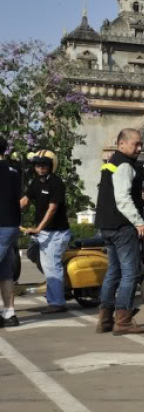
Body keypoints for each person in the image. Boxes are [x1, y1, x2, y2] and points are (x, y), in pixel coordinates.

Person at [95, 128, 144, 335]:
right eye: (135, 144)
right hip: (122, 226)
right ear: (121, 144)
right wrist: (139, 222)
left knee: (113, 272)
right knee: (130, 273)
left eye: (140, 144)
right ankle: (124, 321)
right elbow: (123, 199)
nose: (139, 148)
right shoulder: (125, 166)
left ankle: (105, 319)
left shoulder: (110, 164)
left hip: (107, 226)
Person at [20, 150, 72, 314]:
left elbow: (52, 209)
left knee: (52, 266)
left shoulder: (56, 183)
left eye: (44, 165)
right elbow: (25, 200)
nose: (40, 168)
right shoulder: (36, 182)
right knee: (32, 253)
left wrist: (38, 228)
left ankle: (57, 302)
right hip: (43, 234)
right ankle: (60, 285)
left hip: (56, 233)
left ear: (51, 166)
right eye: (37, 165)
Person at [0, 137, 22, 327]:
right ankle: (9, 313)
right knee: (5, 272)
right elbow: (19, 198)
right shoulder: (14, 171)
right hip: (12, 225)